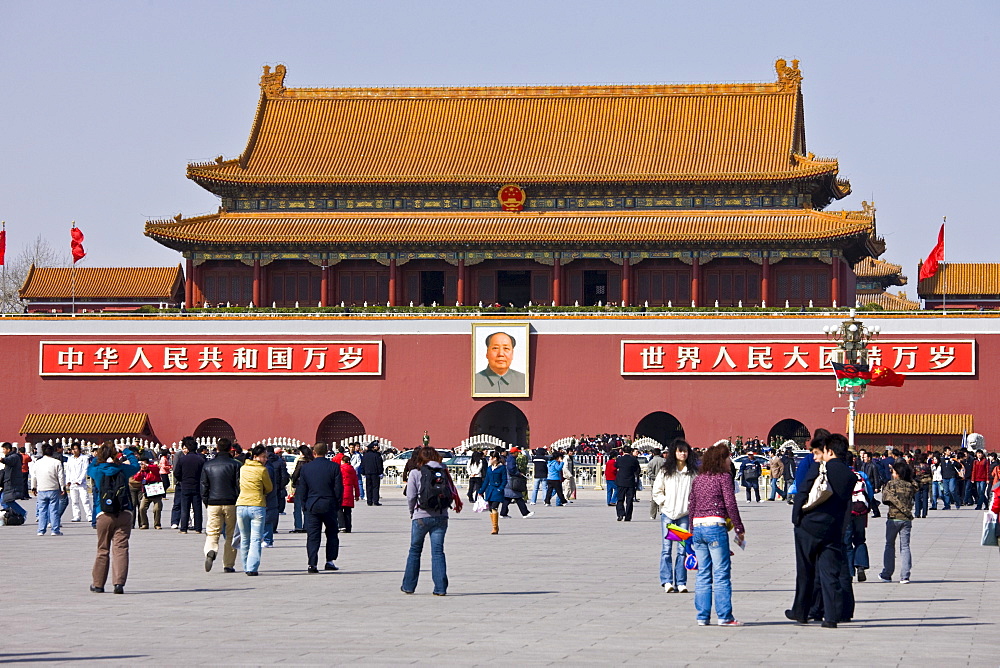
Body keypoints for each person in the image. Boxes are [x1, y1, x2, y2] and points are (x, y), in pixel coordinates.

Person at [786, 432, 856, 628]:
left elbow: (803, 490)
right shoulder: (850, 476)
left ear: (829, 451)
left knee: (805, 570)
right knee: (829, 573)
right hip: (832, 528)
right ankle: (831, 617)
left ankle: (801, 612)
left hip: (809, 526)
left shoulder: (820, 468)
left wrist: (796, 518)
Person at [687, 442, 744, 626]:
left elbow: (691, 504)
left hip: (698, 527)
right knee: (721, 573)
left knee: (703, 573)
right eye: (728, 457)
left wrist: (691, 530)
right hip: (715, 526)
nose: (730, 460)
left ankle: (702, 616)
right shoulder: (723, 477)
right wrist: (738, 527)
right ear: (722, 459)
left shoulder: (699, 479)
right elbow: (730, 503)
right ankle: (724, 616)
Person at [402, 447, 462, 594]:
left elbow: (411, 496)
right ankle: (440, 588)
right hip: (441, 516)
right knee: (438, 552)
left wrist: (412, 512)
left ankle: (409, 586)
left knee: (415, 551)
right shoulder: (443, 471)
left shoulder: (415, 473)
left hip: (421, 516)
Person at [88, 443, 140, 594]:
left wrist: (98, 456)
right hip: (124, 512)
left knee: (102, 549)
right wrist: (126, 452)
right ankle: (119, 583)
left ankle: (98, 584)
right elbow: (136, 465)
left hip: (103, 513)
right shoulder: (123, 469)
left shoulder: (97, 470)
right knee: (121, 548)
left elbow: (90, 467)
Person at [652, 439, 696, 593]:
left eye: (684, 451)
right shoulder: (666, 471)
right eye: (679, 451)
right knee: (666, 549)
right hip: (668, 514)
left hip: (684, 515)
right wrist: (665, 503)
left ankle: (681, 582)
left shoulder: (692, 472)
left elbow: (696, 492)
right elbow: (657, 490)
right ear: (674, 453)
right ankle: (667, 581)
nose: (682, 454)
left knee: (683, 550)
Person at [298, 443, 343, 573]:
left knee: (313, 536)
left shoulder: (306, 468)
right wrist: (337, 504)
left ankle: (312, 564)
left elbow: (302, 489)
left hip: (312, 505)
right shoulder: (334, 467)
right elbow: (338, 489)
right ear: (327, 452)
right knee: (332, 534)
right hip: (329, 504)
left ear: (314, 452)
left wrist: (305, 505)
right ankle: (330, 561)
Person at [200, 438, 241, 573]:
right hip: (231, 503)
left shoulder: (208, 465)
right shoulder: (236, 464)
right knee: (231, 534)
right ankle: (228, 564)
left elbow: (204, 485)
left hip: (213, 502)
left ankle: (211, 550)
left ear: (217, 448)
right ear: (231, 449)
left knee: (212, 532)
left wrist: (206, 500)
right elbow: (238, 485)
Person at [879, 461, 918, 584]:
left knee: (889, 545)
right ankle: (905, 575)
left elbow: (884, 499)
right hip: (906, 519)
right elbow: (916, 486)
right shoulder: (910, 485)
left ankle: (887, 574)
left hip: (893, 518)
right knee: (905, 546)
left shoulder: (890, 484)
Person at [236, 445, 273, 576]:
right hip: (257, 505)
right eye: (263, 457)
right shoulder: (262, 470)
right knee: (256, 539)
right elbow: (269, 487)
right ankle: (252, 568)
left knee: (245, 538)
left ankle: (246, 565)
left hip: (241, 505)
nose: (265, 459)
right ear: (255, 457)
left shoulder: (243, 468)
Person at [32, 444, 66, 536]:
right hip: (53, 488)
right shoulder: (57, 462)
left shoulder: (37, 462)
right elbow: (61, 477)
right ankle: (55, 530)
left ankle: (41, 530)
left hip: (41, 488)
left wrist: (33, 487)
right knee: (54, 510)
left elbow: (34, 476)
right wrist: (62, 487)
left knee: (42, 509)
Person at [173, 437, 205, 534]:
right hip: (197, 486)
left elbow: (176, 473)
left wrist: (181, 480)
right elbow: (204, 473)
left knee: (185, 508)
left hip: (185, 485)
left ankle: (183, 528)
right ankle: (198, 528)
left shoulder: (183, 459)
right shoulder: (200, 460)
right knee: (197, 508)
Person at [262, 446, 290, 547]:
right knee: (274, 510)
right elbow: (284, 476)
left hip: (265, 491)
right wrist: (281, 486)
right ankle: (273, 529)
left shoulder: (263, 465)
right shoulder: (280, 462)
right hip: (277, 489)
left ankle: (264, 536)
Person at [500, 448, 533, 519]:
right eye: (517, 452)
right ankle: (525, 513)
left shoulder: (509, 458)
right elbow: (511, 469)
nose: (518, 454)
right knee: (518, 497)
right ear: (514, 453)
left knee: (507, 498)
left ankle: (503, 513)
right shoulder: (511, 459)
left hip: (509, 481)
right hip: (512, 480)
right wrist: (518, 473)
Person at [479, 451, 507, 534]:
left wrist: (500, 489)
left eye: (491, 458)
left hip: (497, 491)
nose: (489, 459)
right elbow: (486, 480)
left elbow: (504, 480)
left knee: (494, 508)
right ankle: (495, 526)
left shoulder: (502, 468)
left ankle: (495, 528)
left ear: (495, 458)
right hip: (490, 490)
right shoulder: (489, 468)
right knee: (491, 509)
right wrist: (481, 491)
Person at [289, 444, 314, 533]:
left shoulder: (301, 462)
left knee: (298, 507)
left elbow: (296, 474)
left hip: (300, 486)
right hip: (310, 487)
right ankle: (306, 526)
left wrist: (293, 483)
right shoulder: (312, 461)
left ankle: (298, 526)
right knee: (307, 507)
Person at [66, 443, 92, 523]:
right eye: (73, 449)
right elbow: (68, 470)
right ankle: (76, 515)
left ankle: (89, 515)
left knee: (85, 500)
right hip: (73, 482)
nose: (74, 450)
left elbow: (85, 469)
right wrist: (68, 481)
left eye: (76, 448)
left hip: (81, 483)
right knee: (74, 500)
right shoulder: (70, 459)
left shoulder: (84, 458)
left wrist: (80, 480)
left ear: (79, 449)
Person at [136, 459, 165, 530]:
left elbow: (156, 468)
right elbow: (136, 478)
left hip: (156, 492)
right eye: (142, 464)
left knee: (157, 509)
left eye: (144, 464)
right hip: (146, 493)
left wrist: (148, 466)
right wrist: (140, 471)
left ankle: (157, 524)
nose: (143, 466)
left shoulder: (153, 470)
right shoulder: (142, 472)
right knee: (142, 508)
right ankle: (144, 524)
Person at [335, 452, 360, 533]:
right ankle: (348, 527)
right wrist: (357, 495)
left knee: (339, 509)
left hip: (341, 490)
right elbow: (356, 483)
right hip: (349, 491)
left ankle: (342, 526)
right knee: (348, 511)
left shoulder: (339, 469)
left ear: (342, 461)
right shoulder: (352, 470)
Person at [615, 446, 641, 521]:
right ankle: (628, 516)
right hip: (630, 482)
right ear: (630, 452)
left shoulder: (619, 459)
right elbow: (637, 470)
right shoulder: (633, 459)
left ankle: (620, 514)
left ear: (623, 451)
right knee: (629, 500)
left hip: (621, 481)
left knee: (620, 499)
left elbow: (616, 466)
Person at [360, 441, 384, 506]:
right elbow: (379, 465)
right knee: (375, 487)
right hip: (375, 473)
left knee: (369, 487)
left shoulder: (365, 455)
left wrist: (363, 472)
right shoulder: (377, 455)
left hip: (367, 473)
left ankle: (369, 501)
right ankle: (375, 501)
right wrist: (381, 472)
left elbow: (363, 464)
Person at [911, 451, 931, 518]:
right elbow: (930, 474)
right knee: (925, 499)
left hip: (917, 483)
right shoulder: (927, 466)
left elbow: (913, 475)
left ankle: (917, 513)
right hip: (925, 482)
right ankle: (924, 513)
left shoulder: (916, 466)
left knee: (917, 499)